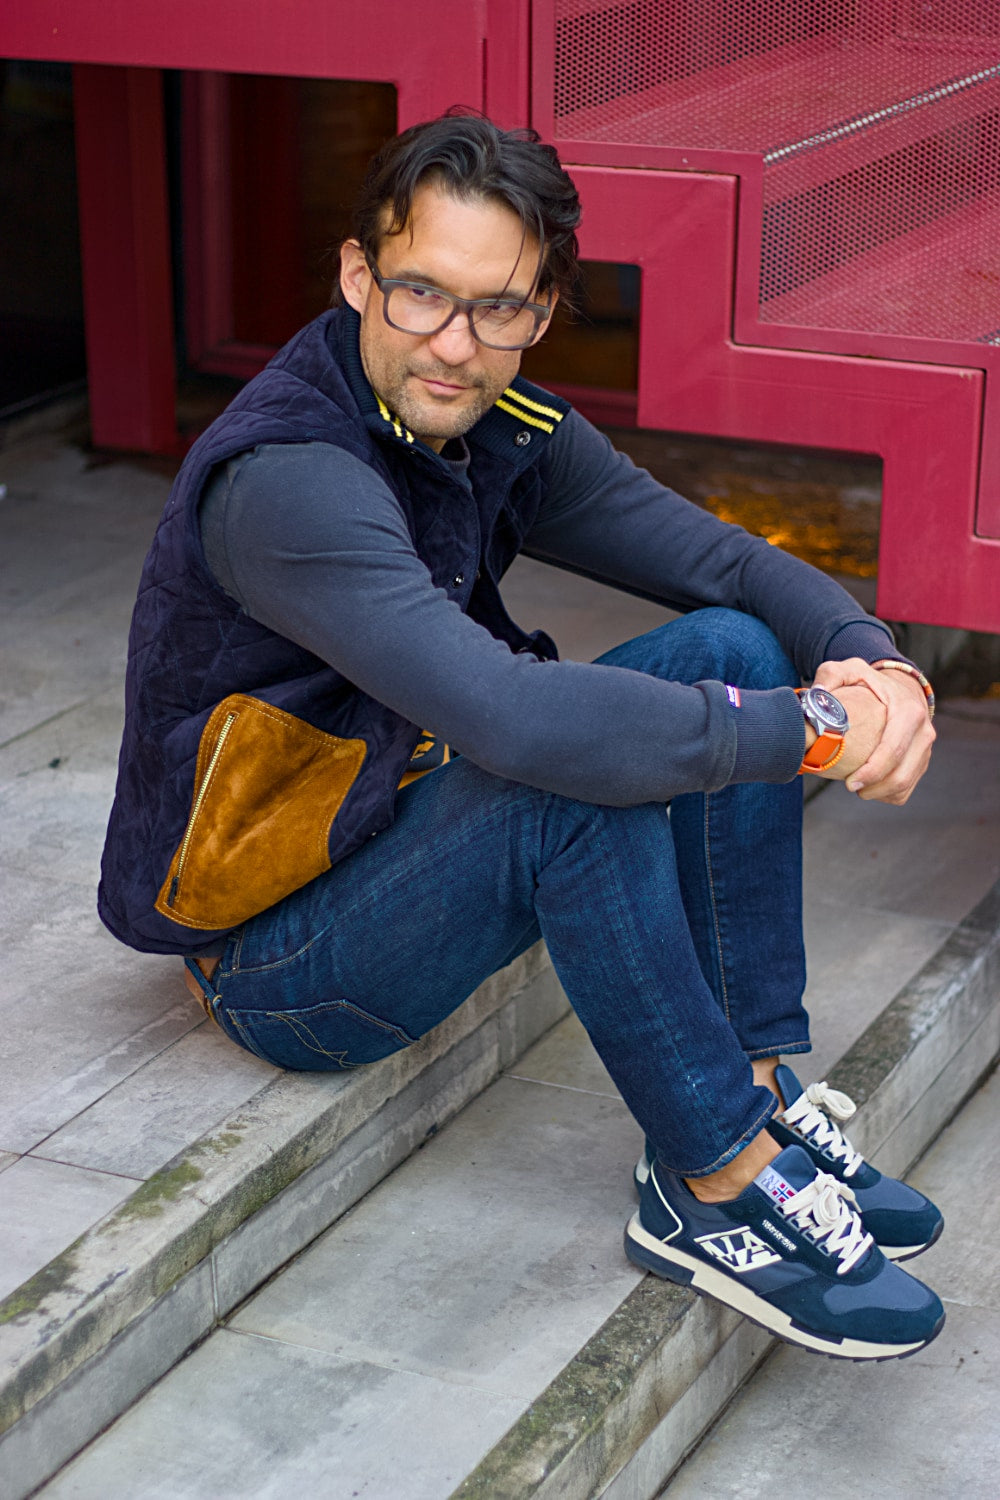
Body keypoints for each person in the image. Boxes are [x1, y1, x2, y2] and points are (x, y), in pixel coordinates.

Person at [99, 110, 944, 1362]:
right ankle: (708, 1178)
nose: (453, 344)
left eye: (498, 308)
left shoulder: (493, 419)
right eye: (420, 295)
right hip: (276, 957)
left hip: (394, 830)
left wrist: (869, 659)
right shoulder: (289, 478)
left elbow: (717, 559)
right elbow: (506, 716)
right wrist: (816, 733)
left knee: (729, 644)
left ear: (542, 308)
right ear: (354, 276)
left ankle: (758, 1096)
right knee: (561, 772)